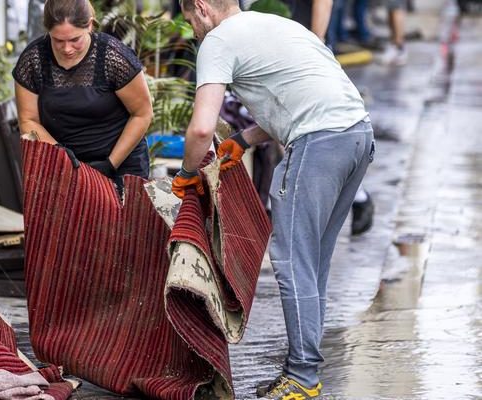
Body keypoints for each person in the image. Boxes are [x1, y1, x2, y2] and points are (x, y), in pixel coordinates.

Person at [172, 0, 374, 398]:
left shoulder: (217, 41)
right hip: (357, 136)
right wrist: (243, 141)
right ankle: (302, 370)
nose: (192, 28)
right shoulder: (274, 25)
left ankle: (301, 378)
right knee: (312, 263)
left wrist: (187, 174)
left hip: (318, 144)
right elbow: (304, 92)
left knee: (292, 263)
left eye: (189, 19)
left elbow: (199, 130)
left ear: (200, 8)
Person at [13, 0, 154, 182]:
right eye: (58, 40)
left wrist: (110, 164)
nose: (67, 48)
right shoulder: (33, 61)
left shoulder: (114, 57)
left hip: (121, 163)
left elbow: (142, 114)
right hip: (63, 166)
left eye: (74, 39)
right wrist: (59, 154)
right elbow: (28, 120)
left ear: (89, 25)